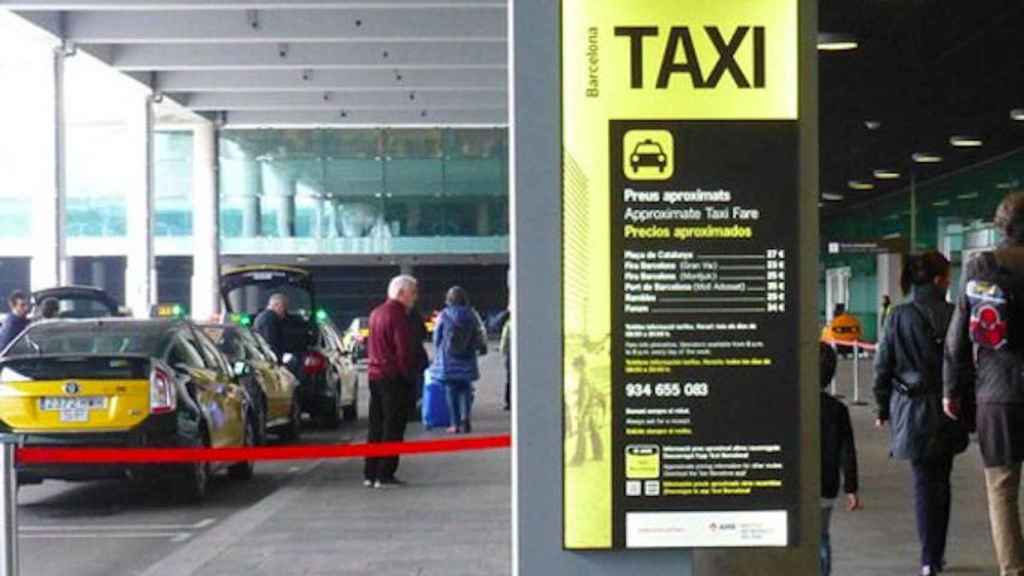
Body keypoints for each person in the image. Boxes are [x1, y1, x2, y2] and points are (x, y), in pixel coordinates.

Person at [945, 191, 1024, 576]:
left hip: (997, 394)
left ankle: (1013, 570)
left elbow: (958, 336)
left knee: (1002, 488)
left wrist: (951, 390)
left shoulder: (981, 266)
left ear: (1000, 227)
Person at [875, 251, 966, 576]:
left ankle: (929, 559)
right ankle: (936, 554)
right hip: (948, 409)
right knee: (942, 481)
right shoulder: (955, 313)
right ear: (940, 279)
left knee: (924, 483)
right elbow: (966, 365)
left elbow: (882, 364)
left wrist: (882, 405)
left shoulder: (898, 316)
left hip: (911, 409)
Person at [364, 275, 419, 488]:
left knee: (375, 426)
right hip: (393, 377)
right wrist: (409, 376)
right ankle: (385, 474)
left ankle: (370, 472)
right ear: (400, 293)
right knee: (393, 427)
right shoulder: (398, 316)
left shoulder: (376, 313)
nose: (415, 298)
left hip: (375, 375)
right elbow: (404, 350)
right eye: (413, 292)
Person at [820, 342, 861, 576]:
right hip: (826, 484)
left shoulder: (793, 407)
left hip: (796, 484)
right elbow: (847, 451)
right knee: (821, 536)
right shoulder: (837, 410)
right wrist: (851, 488)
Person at [428, 286, 485, 434]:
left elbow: (436, 338)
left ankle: (455, 424)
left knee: (451, 391)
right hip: (468, 358)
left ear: (449, 299)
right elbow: (479, 333)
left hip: (448, 360)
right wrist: (479, 347)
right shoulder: (472, 315)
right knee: (466, 389)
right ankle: (466, 420)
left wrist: (440, 348)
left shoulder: (444, 315)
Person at [407, 305, 430, 422]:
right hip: (418, 356)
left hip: (405, 357)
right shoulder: (416, 316)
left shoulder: (397, 316)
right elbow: (424, 333)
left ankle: (409, 410)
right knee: (419, 384)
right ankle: (417, 409)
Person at [253, 293, 289, 360]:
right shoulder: (270, 319)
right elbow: (270, 343)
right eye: (284, 306)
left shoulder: (261, 316)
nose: (285, 311)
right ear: (277, 305)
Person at [500, 311, 512, 411]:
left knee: (510, 379)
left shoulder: (509, 324)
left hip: (511, 355)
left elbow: (504, 340)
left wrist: (503, 351)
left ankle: (509, 402)